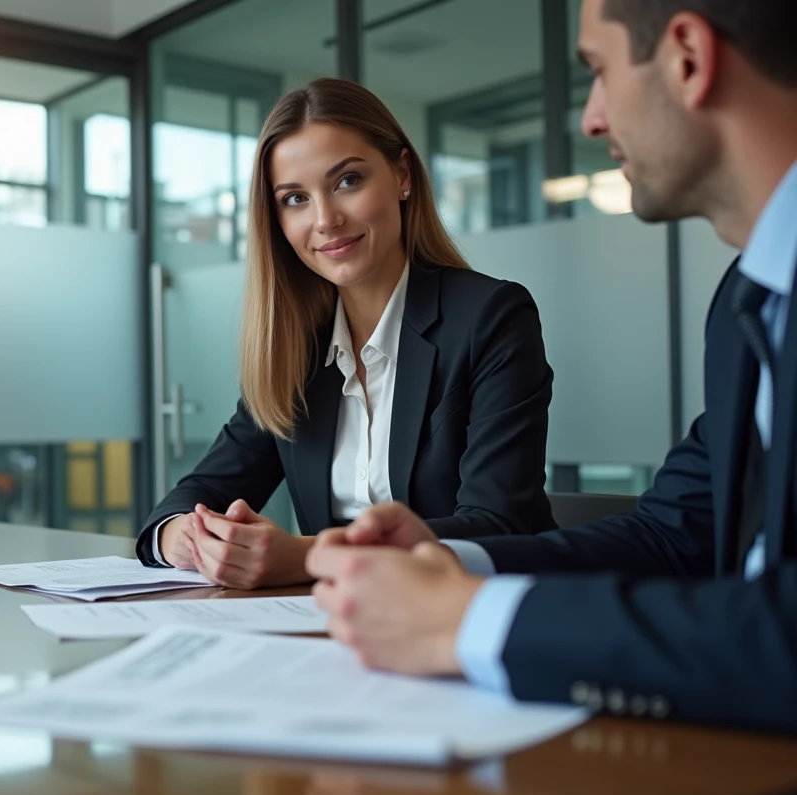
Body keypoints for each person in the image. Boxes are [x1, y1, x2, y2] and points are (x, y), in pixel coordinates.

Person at [307, 0, 797, 733]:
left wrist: (467, 621)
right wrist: (450, 562)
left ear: (688, 58)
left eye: (597, 72)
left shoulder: (490, 313)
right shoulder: (749, 298)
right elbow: (671, 534)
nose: (592, 119)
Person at [138, 78, 556, 589]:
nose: (326, 219)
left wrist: (305, 557)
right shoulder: (298, 349)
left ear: (402, 174)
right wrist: (185, 534)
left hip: (477, 622)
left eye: (347, 181)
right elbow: (198, 491)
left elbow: (496, 528)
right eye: (294, 198)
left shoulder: (490, 316)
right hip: (342, 631)